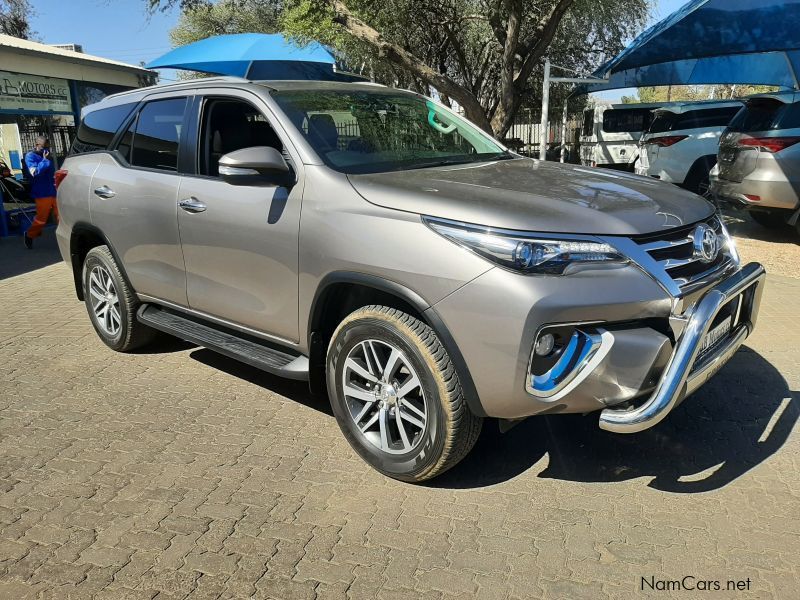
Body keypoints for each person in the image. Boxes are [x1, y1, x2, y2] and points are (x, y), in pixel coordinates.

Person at [23, 136, 58, 249]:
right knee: (41, 220)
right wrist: (45, 161)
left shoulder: (47, 157)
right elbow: (34, 172)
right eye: (44, 147)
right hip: (42, 194)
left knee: (61, 217)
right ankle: (29, 235)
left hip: (54, 191)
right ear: (37, 145)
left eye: (47, 147)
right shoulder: (30, 156)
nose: (46, 150)